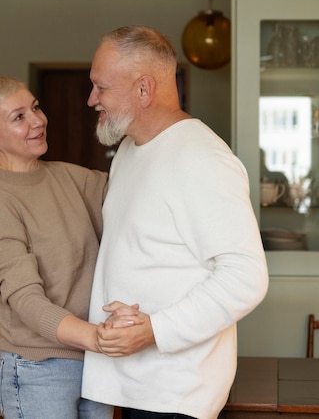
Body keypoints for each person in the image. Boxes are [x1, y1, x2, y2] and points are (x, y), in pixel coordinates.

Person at [81, 26, 269, 419]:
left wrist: (154, 330)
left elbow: (246, 276)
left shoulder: (201, 158)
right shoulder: (129, 152)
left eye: (101, 87)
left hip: (176, 395)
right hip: (138, 387)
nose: (91, 99)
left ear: (144, 90)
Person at [0, 75, 129, 419]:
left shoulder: (71, 178)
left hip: (94, 363)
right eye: (18, 117)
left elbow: (136, 195)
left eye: (35, 107)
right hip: (38, 369)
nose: (38, 120)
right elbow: (26, 300)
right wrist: (96, 338)